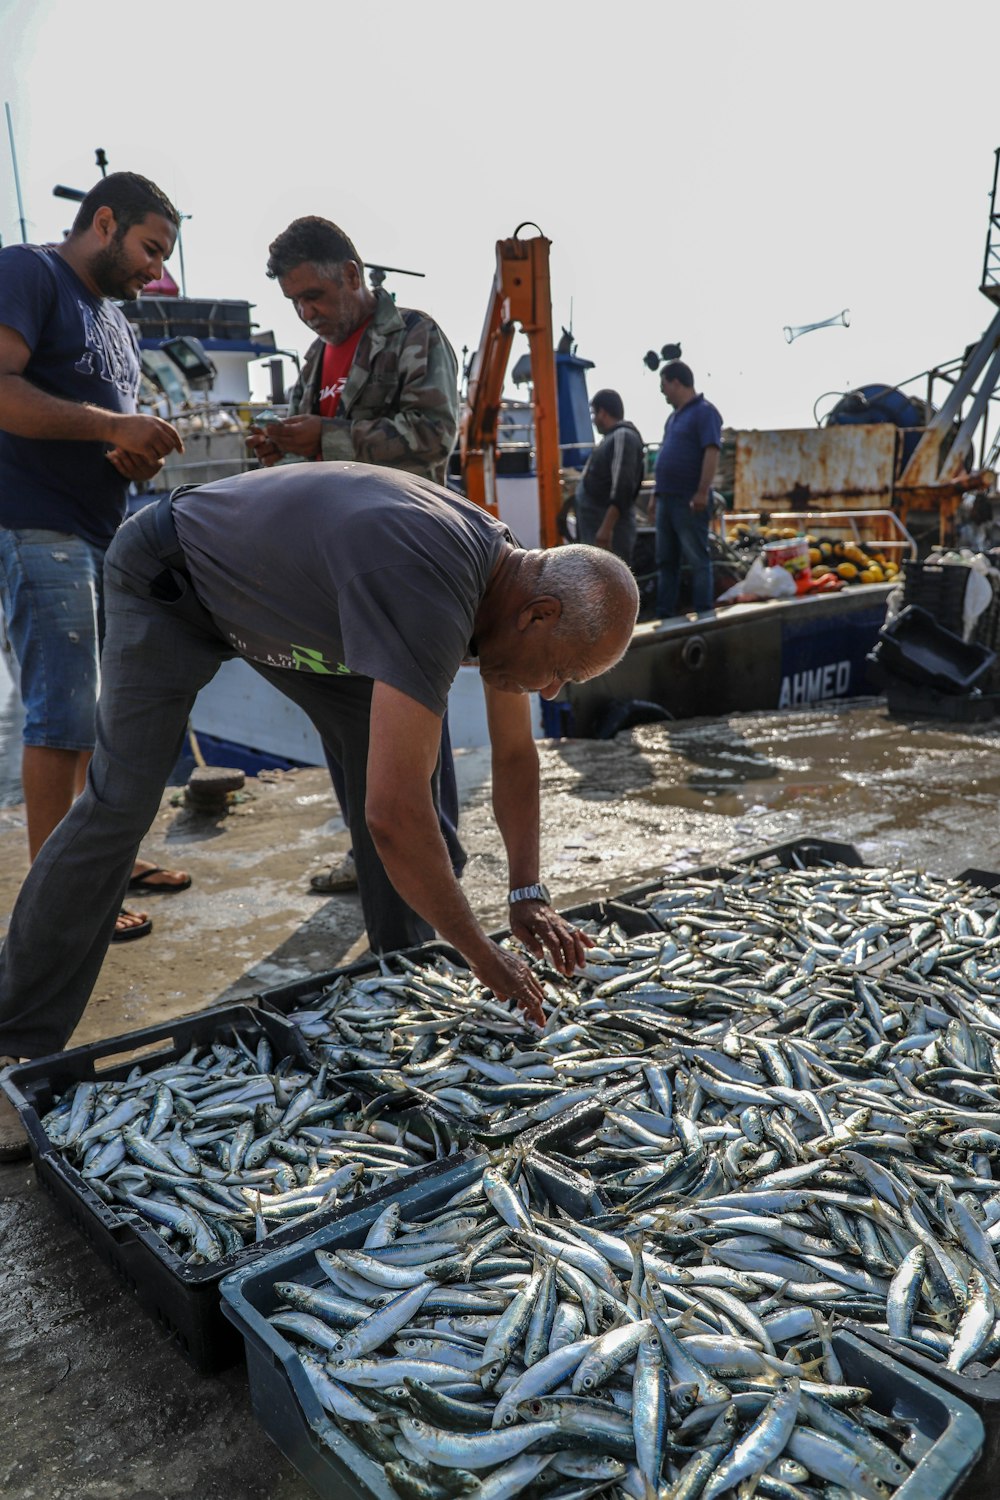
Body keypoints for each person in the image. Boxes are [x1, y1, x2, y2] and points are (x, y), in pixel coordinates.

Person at [0, 462, 639, 1161]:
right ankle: (12, 1043)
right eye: (562, 673)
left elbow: (516, 756)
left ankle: (404, 976)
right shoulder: (432, 585)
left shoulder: (504, 583)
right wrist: (481, 951)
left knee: (412, 783)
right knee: (120, 803)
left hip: (297, 610)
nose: (550, 691)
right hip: (172, 575)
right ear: (539, 614)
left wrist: (526, 891)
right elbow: (391, 817)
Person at [0, 170, 192, 948]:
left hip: (102, 529)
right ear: (103, 222)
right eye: (150, 249)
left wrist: (127, 454)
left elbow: (96, 425)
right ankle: (60, 898)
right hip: (35, 524)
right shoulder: (27, 270)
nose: (156, 270)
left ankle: (102, 859)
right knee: (63, 716)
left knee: (111, 714)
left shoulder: (117, 321)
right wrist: (113, 425)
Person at [246, 215, 462, 896]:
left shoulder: (417, 336)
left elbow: (433, 435)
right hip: (332, 565)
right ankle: (368, 855)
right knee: (347, 717)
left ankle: (440, 861)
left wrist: (326, 435)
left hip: (403, 554)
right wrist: (283, 445)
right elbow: (318, 443)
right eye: (295, 304)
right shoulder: (316, 360)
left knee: (414, 715)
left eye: (314, 296)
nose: (307, 314)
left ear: (351, 274)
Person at [653, 359, 722, 617]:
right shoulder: (673, 418)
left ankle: (704, 613)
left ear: (676, 382)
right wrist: (656, 497)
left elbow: (711, 451)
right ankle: (665, 614)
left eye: (664, 385)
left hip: (689, 499)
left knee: (697, 559)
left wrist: (702, 491)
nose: (662, 391)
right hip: (666, 499)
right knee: (665, 560)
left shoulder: (705, 412)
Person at [573, 389, 645, 564]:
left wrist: (606, 529)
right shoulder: (611, 438)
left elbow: (623, 486)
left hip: (608, 534)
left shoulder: (623, 436)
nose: (593, 419)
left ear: (603, 412)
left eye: (594, 413)